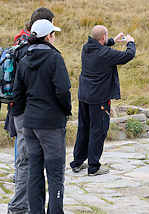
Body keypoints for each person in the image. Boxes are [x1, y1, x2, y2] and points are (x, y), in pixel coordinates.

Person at [13, 19, 71, 214]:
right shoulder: (55, 59)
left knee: (34, 172)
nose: (54, 37)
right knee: (55, 174)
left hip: (30, 123)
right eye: (53, 34)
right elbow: (63, 90)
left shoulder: (24, 59)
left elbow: (17, 94)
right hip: (51, 124)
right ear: (48, 37)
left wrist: (22, 118)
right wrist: (65, 111)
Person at [70, 25, 136, 176]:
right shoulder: (105, 54)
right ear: (103, 37)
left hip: (84, 96)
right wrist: (130, 43)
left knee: (84, 128)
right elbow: (128, 56)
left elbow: (99, 45)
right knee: (98, 131)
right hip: (99, 98)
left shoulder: (86, 47)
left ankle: (77, 162)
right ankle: (93, 167)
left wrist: (113, 40)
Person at [7, 7, 55, 214]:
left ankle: (24, 204)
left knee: (24, 159)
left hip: (18, 110)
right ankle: (18, 207)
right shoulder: (30, 49)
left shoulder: (20, 42)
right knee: (27, 161)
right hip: (29, 113)